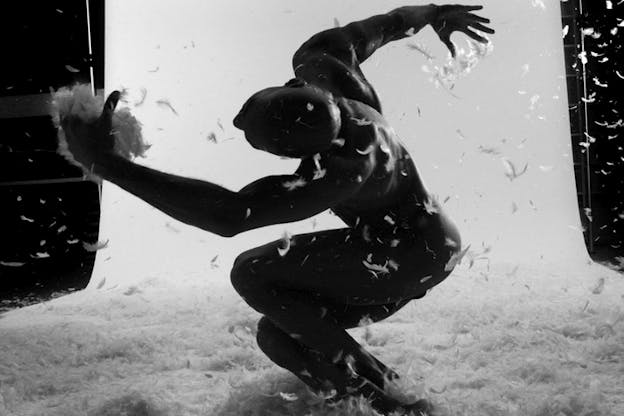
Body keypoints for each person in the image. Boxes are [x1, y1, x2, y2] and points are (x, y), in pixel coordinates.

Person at [62, 4, 494, 415]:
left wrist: (106, 164)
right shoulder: (323, 64)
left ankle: (388, 403)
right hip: (416, 242)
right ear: (293, 85)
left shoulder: (343, 170)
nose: (235, 124)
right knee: (279, 335)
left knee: (251, 273)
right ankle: (386, 393)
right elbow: (386, 25)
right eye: (248, 112)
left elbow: (229, 215)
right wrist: (434, 14)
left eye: (254, 138)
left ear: (310, 156)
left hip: (414, 252)